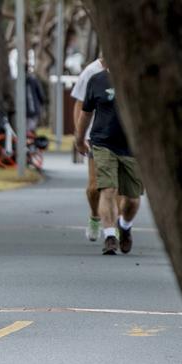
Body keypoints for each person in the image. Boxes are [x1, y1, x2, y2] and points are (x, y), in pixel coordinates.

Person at [75, 67, 142, 255]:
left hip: (133, 147)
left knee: (132, 200)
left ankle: (125, 226)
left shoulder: (142, 78)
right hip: (103, 143)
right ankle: (110, 236)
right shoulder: (97, 80)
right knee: (108, 188)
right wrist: (79, 139)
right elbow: (85, 112)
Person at [71, 58, 105, 242]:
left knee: (115, 187)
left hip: (121, 137)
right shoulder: (91, 72)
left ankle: (112, 226)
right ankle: (95, 216)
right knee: (94, 188)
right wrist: (80, 136)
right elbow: (80, 104)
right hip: (95, 136)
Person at [26, 65, 46, 133]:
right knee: (31, 129)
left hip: (27, 110)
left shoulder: (20, 80)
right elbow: (40, 95)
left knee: (28, 129)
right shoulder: (34, 80)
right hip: (33, 109)